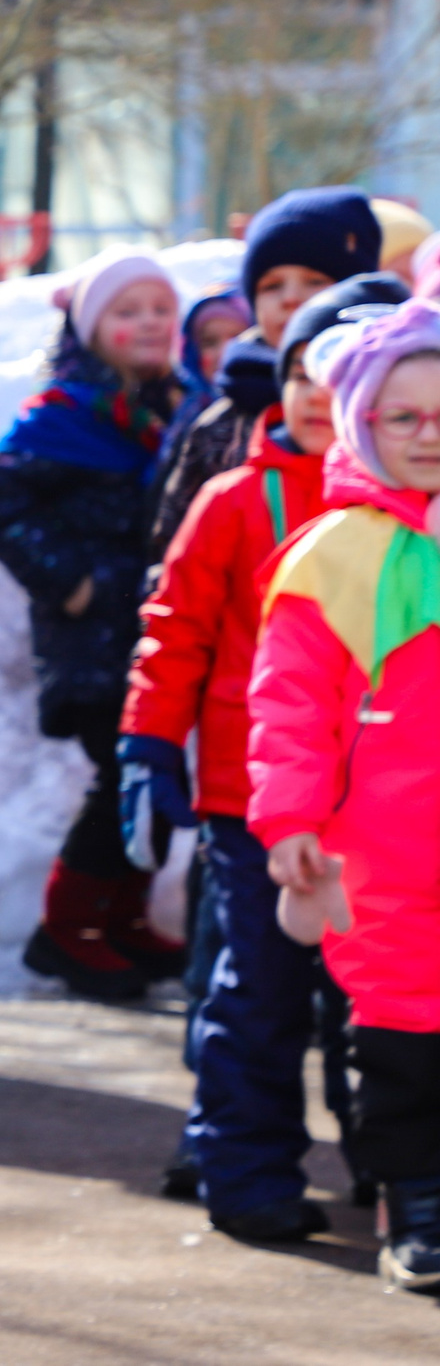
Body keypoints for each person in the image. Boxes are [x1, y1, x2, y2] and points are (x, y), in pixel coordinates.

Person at [122, 276, 401, 1239]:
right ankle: (243, 1169)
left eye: (342, 374)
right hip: (254, 799)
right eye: (301, 371)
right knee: (262, 992)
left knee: (371, 1000)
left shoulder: (410, 521)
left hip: (384, 814)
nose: (320, 394)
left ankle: (387, 1164)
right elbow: (175, 632)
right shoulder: (234, 500)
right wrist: (148, 744)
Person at [247, 288, 440, 1291]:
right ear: (362, 423)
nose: (425, 437)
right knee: (401, 1039)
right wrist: (288, 818)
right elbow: (288, 705)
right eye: (402, 418)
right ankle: (415, 1204)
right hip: (385, 854)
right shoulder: (333, 559)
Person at [0, 250, 185, 1001]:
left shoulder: (172, 408)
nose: (150, 323)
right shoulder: (62, 416)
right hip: (95, 639)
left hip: (156, 629)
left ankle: (119, 915)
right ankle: (66, 928)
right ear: (92, 329)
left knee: (154, 776)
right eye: (129, 311)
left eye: (161, 309)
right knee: (122, 776)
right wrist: (74, 583)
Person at [148, 188, 378, 563]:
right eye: (272, 285)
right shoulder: (222, 420)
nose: (290, 298)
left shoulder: (389, 407)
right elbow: (170, 543)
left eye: (314, 281)